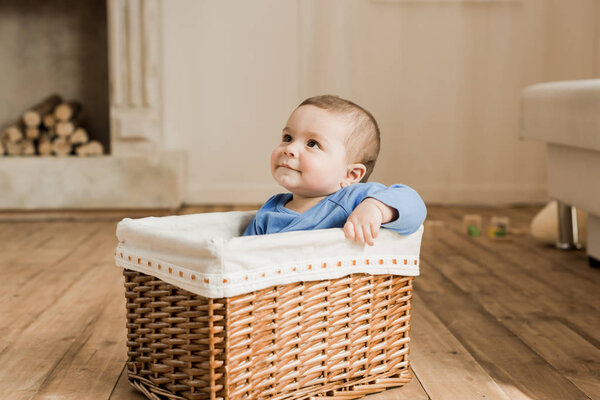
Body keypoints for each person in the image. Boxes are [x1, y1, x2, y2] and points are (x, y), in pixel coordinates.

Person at [242, 95, 427, 246]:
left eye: (312, 144)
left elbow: (414, 206)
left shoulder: (355, 198)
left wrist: (376, 209)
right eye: (288, 137)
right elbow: (241, 256)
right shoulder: (269, 212)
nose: (289, 149)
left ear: (350, 175)